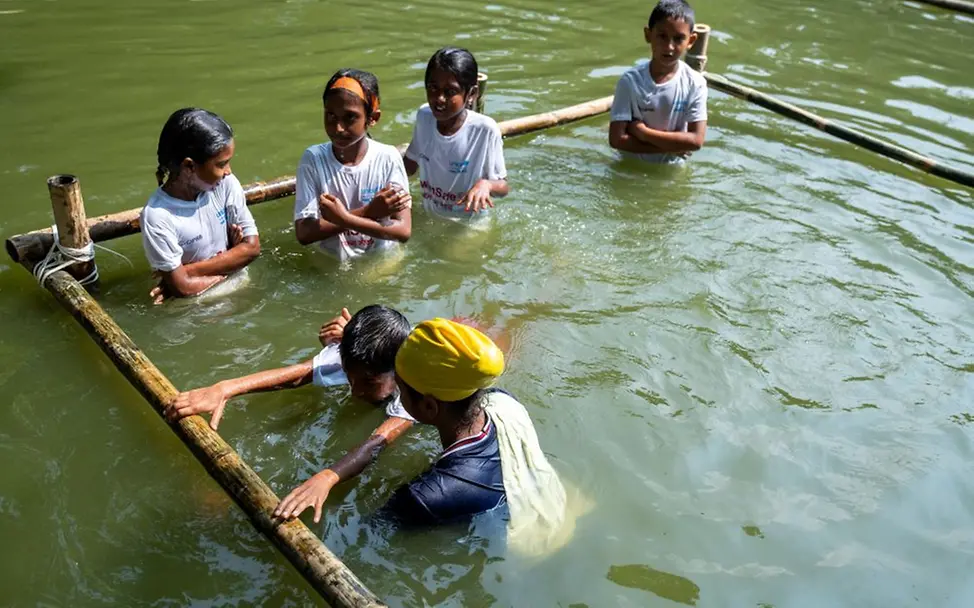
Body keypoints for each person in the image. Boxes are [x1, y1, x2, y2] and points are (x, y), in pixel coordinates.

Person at [276, 318, 567, 543]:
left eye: (400, 390)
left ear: (428, 407)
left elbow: (363, 537)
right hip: (555, 506)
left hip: (525, 546)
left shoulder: (424, 498)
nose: (396, 398)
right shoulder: (503, 402)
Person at [167, 304, 416, 486]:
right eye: (350, 376)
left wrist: (329, 477)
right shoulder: (351, 357)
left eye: (369, 382)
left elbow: (379, 440)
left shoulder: (414, 382)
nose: (356, 390)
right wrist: (224, 389)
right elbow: (296, 375)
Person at [141, 108, 260, 303]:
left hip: (234, 294)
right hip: (192, 312)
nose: (228, 171)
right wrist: (233, 261)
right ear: (189, 167)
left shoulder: (225, 184)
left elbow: (252, 248)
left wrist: (188, 271)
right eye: (221, 164)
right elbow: (184, 290)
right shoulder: (158, 216)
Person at [294, 69, 412, 262]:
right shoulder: (313, 159)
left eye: (350, 117)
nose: (338, 128)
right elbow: (304, 233)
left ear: (372, 118)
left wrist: (344, 219)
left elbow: (404, 231)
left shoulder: (388, 158)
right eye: (331, 115)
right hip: (330, 263)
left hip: (382, 261)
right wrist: (368, 212)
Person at [403, 47, 508, 222]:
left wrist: (486, 184)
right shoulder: (424, 116)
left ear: (471, 94)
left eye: (450, 92)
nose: (439, 99)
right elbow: (410, 165)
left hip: (468, 222)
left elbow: (503, 187)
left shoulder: (485, 130)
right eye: (433, 88)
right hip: (429, 212)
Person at [608, 0, 707, 164]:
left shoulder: (695, 83)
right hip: (630, 168)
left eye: (678, 39)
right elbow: (616, 140)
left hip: (673, 170)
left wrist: (644, 133)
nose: (669, 47)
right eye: (662, 36)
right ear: (648, 35)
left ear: (691, 41)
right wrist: (674, 147)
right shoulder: (630, 82)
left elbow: (696, 141)